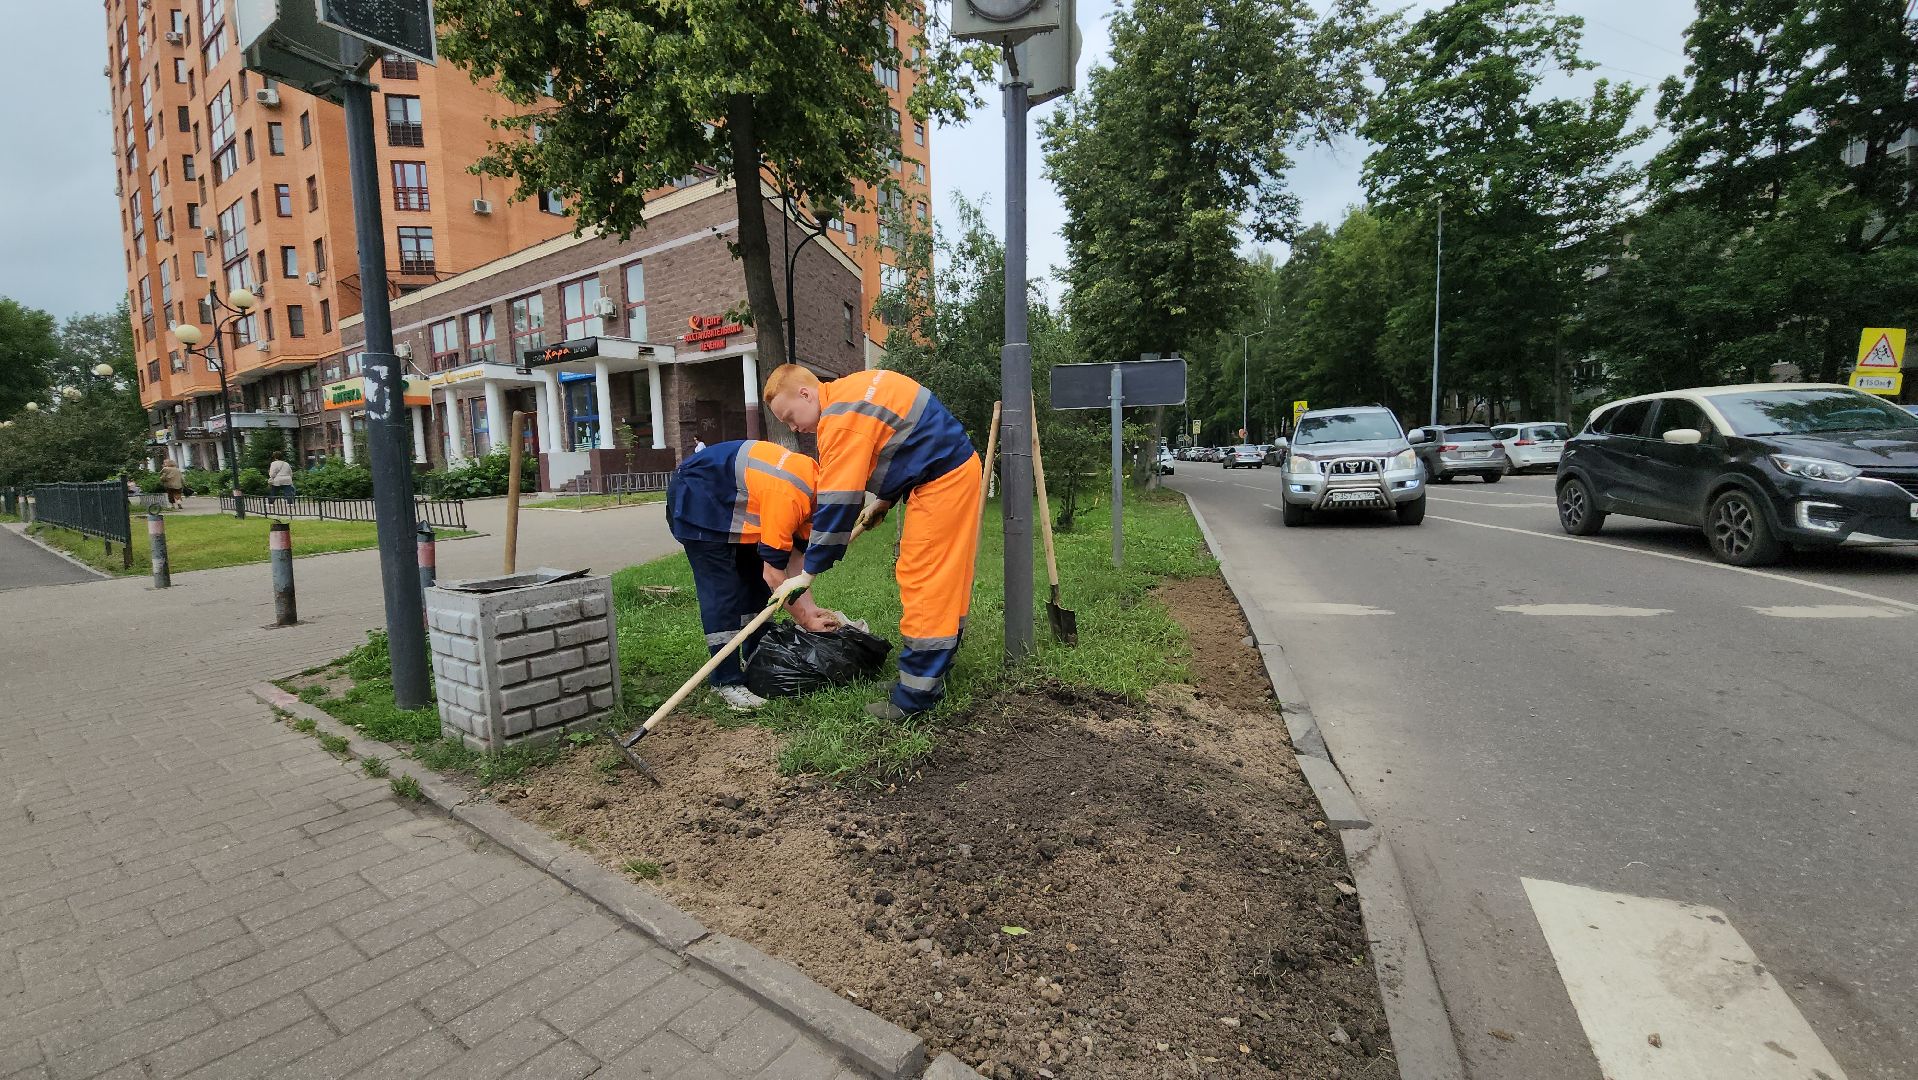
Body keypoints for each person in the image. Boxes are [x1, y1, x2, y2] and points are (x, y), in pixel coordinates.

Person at [762, 365, 981, 720]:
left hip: (941, 483)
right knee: (946, 580)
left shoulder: (840, 419)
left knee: (925, 581)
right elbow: (904, 440)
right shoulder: (854, 389)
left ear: (806, 393)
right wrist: (885, 500)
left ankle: (914, 698)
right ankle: (929, 676)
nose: (793, 427)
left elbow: (838, 500)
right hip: (951, 472)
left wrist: (807, 573)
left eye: (790, 417)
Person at [666, 439, 840, 711]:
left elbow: (794, 561)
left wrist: (811, 609)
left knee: (754, 585)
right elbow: (775, 575)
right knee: (722, 590)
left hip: (735, 504)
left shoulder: (815, 490)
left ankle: (756, 656)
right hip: (698, 499)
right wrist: (804, 619)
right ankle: (725, 681)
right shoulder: (791, 496)